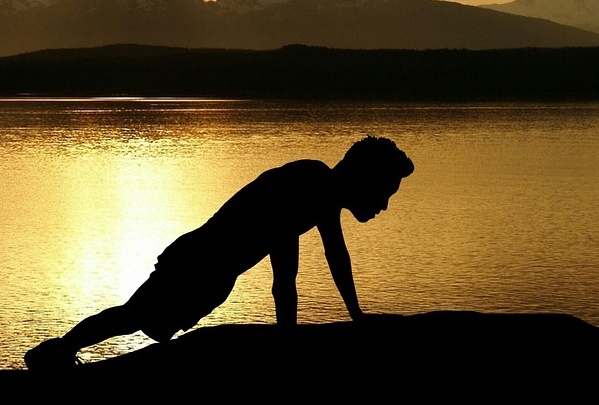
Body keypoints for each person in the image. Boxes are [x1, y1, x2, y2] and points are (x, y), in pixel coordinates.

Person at [24, 136, 414, 370]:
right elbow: (285, 278)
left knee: (141, 320)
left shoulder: (322, 193)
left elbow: (336, 257)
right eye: (384, 192)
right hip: (198, 262)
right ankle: (54, 352)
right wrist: (290, 343)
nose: (383, 205)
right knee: (135, 316)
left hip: (211, 272)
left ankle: (57, 351)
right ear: (365, 180)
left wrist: (356, 315)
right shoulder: (309, 185)